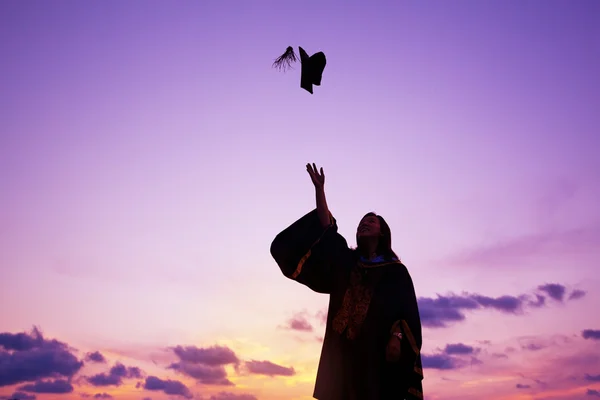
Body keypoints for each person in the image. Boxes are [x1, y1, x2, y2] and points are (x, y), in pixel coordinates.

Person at [270, 163, 424, 400]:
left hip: (375, 357)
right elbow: (327, 229)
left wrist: (397, 338)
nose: (364, 223)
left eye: (371, 221)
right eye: (362, 221)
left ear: (382, 232)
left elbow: (407, 313)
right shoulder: (347, 261)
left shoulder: (395, 273)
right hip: (342, 355)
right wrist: (320, 191)